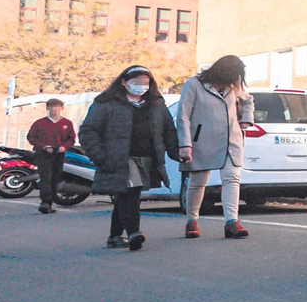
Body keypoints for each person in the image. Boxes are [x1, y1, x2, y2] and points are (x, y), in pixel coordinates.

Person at [79, 66, 180, 251]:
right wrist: (99, 156)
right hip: (120, 156)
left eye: (145, 82)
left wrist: (176, 152)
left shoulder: (156, 104)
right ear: (124, 82)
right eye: (136, 82)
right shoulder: (106, 103)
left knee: (126, 193)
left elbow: (168, 130)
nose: (141, 86)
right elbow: (88, 131)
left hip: (147, 156)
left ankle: (115, 236)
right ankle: (134, 232)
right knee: (131, 190)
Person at [176, 55, 255, 239]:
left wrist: (246, 121)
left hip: (230, 140)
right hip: (201, 140)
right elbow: (183, 116)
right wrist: (185, 144)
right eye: (232, 77)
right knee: (197, 182)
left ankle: (232, 222)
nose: (234, 82)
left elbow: (248, 100)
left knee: (232, 179)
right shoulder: (194, 84)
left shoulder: (234, 84)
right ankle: (191, 221)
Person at [27, 98, 76, 214]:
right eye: (52, 106)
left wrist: (64, 146)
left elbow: (71, 138)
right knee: (46, 177)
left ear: (62, 108)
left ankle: (52, 200)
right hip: (44, 154)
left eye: (57, 106)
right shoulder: (40, 123)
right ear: (47, 108)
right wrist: (44, 146)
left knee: (55, 177)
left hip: (59, 153)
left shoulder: (67, 123)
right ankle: (45, 202)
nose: (54, 109)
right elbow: (31, 138)